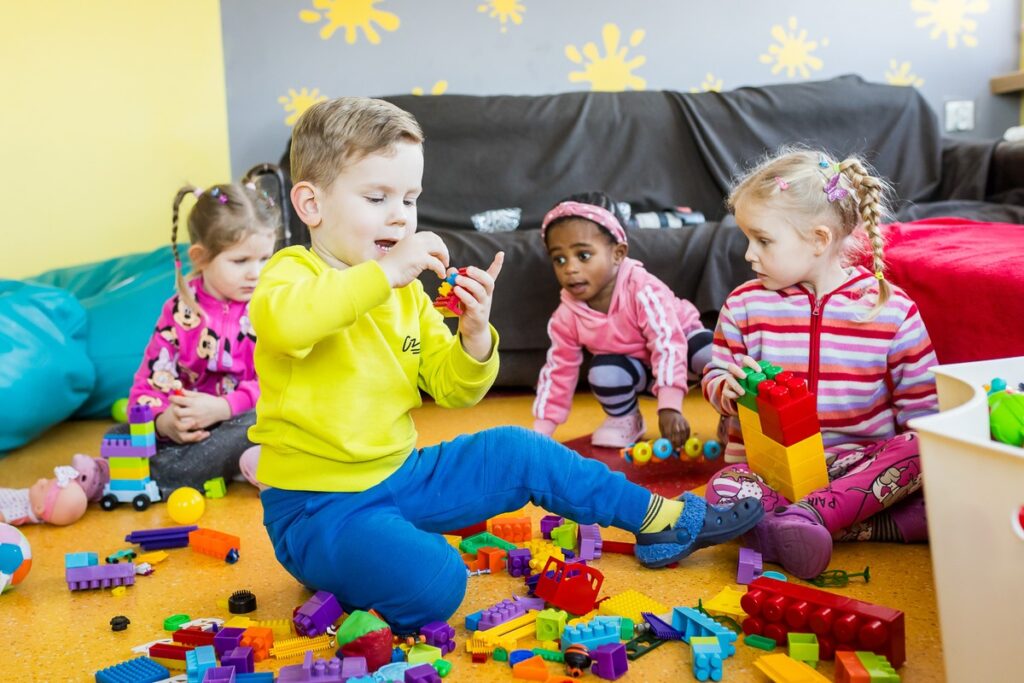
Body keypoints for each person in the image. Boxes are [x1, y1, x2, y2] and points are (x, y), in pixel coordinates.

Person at [250, 97, 764, 634]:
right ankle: (350, 558)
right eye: (377, 198)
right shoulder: (292, 275)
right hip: (317, 507)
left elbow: (454, 390)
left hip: (399, 474)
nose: (400, 216)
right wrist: (387, 273)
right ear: (310, 205)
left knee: (518, 449)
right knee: (439, 582)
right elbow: (289, 324)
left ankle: (661, 521)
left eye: (410, 198)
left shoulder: (405, 296)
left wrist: (473, 335)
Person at [701, 148, 939, 579]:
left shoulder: (890, 311)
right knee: (722, 490)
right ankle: (823, 524)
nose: (748, 255)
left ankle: (802, 520)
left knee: (925, 449)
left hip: (856, 468)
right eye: (747, 239)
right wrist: (726, 389)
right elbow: (716, 374)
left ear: (819, 239)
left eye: (763, 240)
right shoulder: (744, 305)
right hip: (768, 472)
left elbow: (923, 412)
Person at [102, 181, 280, 495]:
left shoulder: (272, 304)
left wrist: (225, 407)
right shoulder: (178, 314)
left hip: (246, 420)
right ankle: (238, 464)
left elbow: (281, 381)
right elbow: (146, 387)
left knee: (265, 421)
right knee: (124, 432)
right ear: (200, 257)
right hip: (199, 433)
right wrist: (164, 422)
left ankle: (209, 466)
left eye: (265, 258)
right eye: (241, 261)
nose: (257, 272)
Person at [533, 192, 713, 450]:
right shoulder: (566, 315)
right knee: (604, 372)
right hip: (640, 371)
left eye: (583, 256)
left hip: (681, 356)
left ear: (618, 254)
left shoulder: (643, 289)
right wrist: (541, 432)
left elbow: (668, 343)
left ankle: (733, 418)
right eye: (559, 259)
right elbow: (558, 371)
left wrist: (669, 406)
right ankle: (625, 419)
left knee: (713, 355)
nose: (570, 268)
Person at [0, 466, 88, 526]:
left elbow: (2, 516)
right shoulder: (34, 500)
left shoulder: (21, 512)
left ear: (39, 507)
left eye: (42, 487)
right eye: (47, 480)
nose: (42, 480)